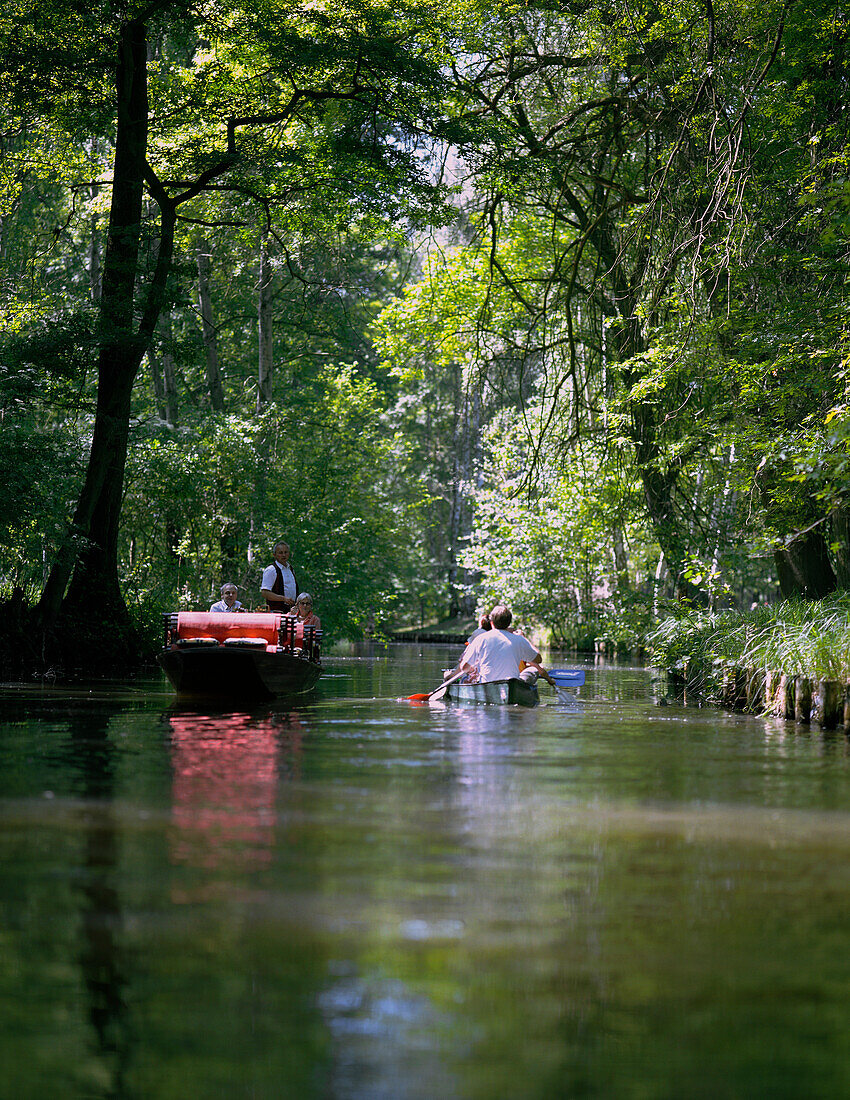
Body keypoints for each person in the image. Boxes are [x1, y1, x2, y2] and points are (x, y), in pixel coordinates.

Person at [460, 604, 556, 686]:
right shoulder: (519, 640)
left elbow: (464, 667)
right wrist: (524, 638)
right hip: (511, 684)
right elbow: (538, 659)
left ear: (492, 623)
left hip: (487, 684)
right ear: (509, 623)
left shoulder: (480, 639)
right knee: (533, 670)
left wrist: (474, 671)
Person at [260, 541, 297, 611]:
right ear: (274, 555)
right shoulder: (271, 570)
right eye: (280, 553)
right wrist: (283, 598)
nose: (283, 555)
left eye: (286, 552)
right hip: (275, 611)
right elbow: (264, 593)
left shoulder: (290, 569)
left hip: (291, 610)